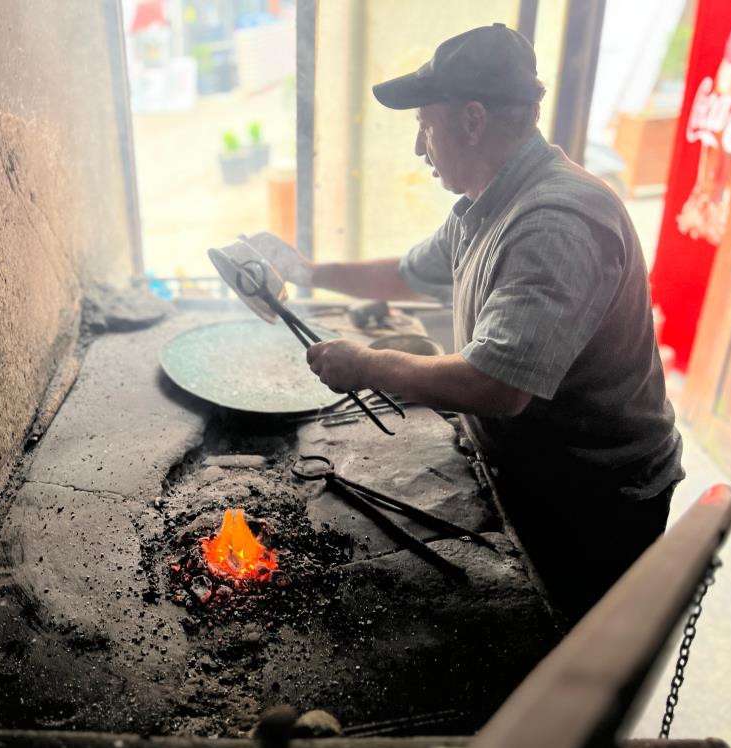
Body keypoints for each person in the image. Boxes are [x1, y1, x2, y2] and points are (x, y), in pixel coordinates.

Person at [245, 23, 684, 623]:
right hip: (532, 466)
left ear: (472, 120)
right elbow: (406, 273)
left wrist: (365, 364)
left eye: (425, 126)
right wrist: (307, 270)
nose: (419, 148)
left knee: (565, 658)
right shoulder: (492, 200)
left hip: (593, 496)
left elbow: (494, 387)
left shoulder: (553, 222)